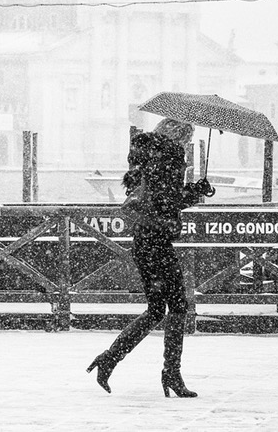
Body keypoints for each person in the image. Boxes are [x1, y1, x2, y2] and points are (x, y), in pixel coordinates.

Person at [86, 118, 213, 398]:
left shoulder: (145, 155)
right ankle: (171, 373)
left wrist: (189, 191)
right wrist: (196, 191)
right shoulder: (168, 156)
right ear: (179, 136)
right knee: (178, 306)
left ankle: (110, 359)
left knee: (158, 310)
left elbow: (156, 197)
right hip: (155, 241)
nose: (188, 143)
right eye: (187, 137)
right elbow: (166, 201)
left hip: (144, 241)